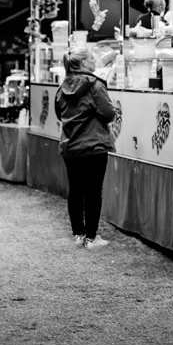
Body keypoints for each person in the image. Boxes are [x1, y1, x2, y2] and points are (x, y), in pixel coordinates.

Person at [54, 46, 117, 249]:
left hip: (70, 146)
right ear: (83, 63)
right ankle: (92, 237)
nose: (95, 60)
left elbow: (59, 113)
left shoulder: (62, 87)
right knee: (93, 192)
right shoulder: (95, 85)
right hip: (94, 144)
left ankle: (78, 234)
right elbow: (108, 113)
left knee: (75, 190)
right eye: (91, 57)